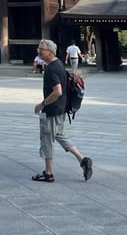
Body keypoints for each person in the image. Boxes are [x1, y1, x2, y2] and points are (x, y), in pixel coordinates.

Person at [31, 39, 92, 183]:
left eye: (41, 49)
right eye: (38, 48)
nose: (38, 51)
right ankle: (82, 160)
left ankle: (49, 173)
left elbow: (57, 91)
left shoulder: (51, 69)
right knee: (59, 135)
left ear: (50, 52)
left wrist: (42, 104)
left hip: (52, 110)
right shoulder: (59, 64)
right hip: (61, 108)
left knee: (47, 139)